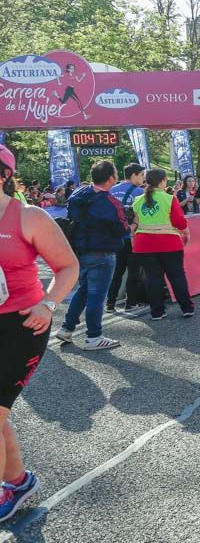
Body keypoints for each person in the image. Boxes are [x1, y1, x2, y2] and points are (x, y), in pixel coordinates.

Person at [0, 145, 79, 523]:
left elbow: (67, 267)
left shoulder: (28, 217)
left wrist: (48, 305)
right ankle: (17, 482)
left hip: (21, 326)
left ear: (2, 175)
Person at [53, 161, 129, 350]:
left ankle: (67, 328)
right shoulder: (109, 202)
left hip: (80, 249)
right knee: (96, 295)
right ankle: (93, 337)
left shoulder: (79, 194)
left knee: (84, 289)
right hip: (102, 252)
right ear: (111, 178)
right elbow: (122, 229)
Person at [130, 169, 195, 321]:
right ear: (162, 181)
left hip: (144, 245)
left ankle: (157, 312)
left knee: (153, 278)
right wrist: (186, 232)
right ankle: (186, 308)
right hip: (169, 243)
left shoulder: (138, 200)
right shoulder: (169, 198)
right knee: (177, 276)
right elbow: (178, 221)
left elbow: (136, 221)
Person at [107, 162, 147, 313]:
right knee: (133, 270)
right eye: (142, 175)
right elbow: (142, 214)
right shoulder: (138, 192)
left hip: (116, 236)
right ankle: (130, 302)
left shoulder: (112, 190)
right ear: (134, 175)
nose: (143, 179)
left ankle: (110, 302)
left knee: (117, 271)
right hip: (132, 236)